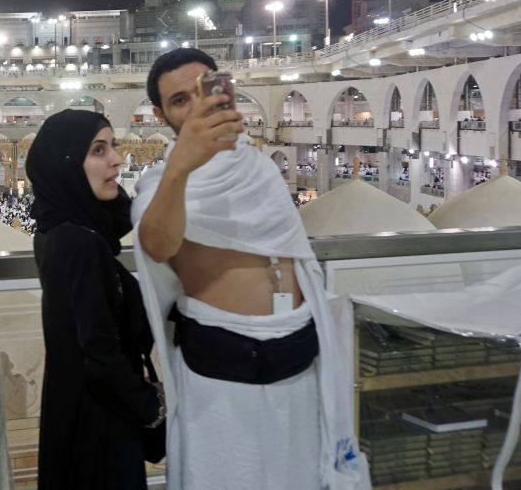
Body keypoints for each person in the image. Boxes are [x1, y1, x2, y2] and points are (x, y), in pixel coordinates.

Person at [132, 48, 368, 490]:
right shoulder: (162, 183)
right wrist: (182, 165)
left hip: (297, 347)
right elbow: (157, 243)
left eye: (203, 90)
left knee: (298, 472)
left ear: (226, 91)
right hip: (222, 361)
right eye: (180, 100)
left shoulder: (260, 168)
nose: (196, 106)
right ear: (162, 117)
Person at [27, 109, 164, 490]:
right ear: (67, 164)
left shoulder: (57, 230)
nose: (117, 159)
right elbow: (101, 354)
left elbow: (119, 218)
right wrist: (152, 408)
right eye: (98, 150)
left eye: (113, 146)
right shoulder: (80, 243)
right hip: (100, 429)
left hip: (76, 412)